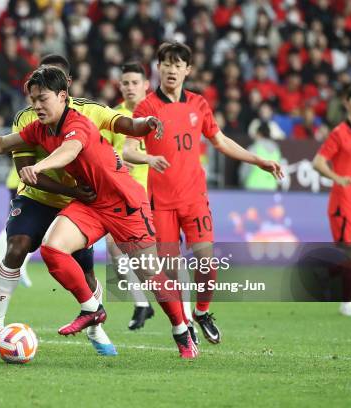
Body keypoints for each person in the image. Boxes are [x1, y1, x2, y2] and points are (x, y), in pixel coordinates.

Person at [0, 66, 199, 359]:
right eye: (33, 100)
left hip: (125, 204)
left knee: (150, 274)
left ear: (62, 95)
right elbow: (1, 143)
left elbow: (69, 151)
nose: (36, 106)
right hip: (92, 203)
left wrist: (40, 166)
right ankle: (92, 309)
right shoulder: (40, 128)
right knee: (53, 249)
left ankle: (181, 332)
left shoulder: (78, 123)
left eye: (42, 99)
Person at [123, 41, 283, 345]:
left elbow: (220, 141)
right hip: (162, 204)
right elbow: (129, 150)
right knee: (169, 273)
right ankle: (183, 326)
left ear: (188, 70)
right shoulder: (146, 108)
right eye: (166, 63)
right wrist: (149, 158)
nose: (171, 69)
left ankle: (202, 311)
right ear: (158, 68)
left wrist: (259, 161)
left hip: (194, 198)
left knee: (207, 263)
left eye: (178, 64)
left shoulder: (198, 104)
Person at [100, 61, 155, 330]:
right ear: (120, 86)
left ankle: (182, 314)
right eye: (126, 83)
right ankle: (141, 302)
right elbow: (101, 151)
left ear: (146, 85)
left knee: (160, 254)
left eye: (135, 82)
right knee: (113, 248)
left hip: (156, 193)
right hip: (121, 194)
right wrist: (118, 159)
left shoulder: (159, 112)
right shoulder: (113, 118)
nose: (130, 88)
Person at [312, 83, 351, 317]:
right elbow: (317, 162)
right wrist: (337, 177)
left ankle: (322, 272)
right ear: (347, 102)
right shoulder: (340, 133)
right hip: (344, 203)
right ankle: (346, 303)